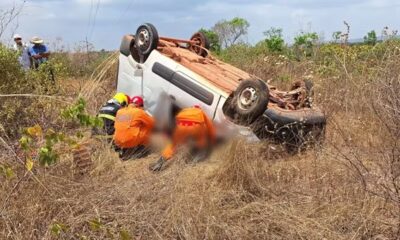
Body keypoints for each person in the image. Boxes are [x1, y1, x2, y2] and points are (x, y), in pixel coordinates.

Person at [149, 105, 216, 171]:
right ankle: (197, 158)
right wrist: (212, 139)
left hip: (181, 126)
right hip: (195, 127)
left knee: (173, 145)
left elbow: (176, 120)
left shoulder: (186, 110)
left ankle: (159, 163)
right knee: (202, 140)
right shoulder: (201, 112)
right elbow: (210, 126)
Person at [114, 96, 155, 160]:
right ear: (140, 105)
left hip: (118, 141)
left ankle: (126, 149)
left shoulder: (119, 111)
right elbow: (152, 123)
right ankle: (143, 148)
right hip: (130, 140)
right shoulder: (138, 112)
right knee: (148, 128)